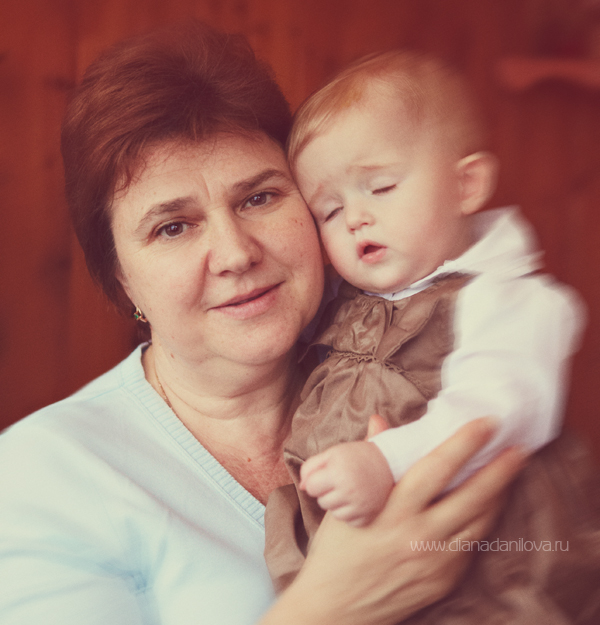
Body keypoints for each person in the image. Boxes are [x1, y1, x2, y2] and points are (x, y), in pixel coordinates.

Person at [0, 23, 525, 625]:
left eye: (259, 198)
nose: (236, 253)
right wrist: (333, 605)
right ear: (122, 278)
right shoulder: (39, 476)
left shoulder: (426, 364)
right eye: (173, 227)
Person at [263, 51, 600, 621]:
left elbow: (502, 408)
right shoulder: (349, 306)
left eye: (381, 186)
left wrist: (388, 462)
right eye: (329, 210)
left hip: (492, 566)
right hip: (356, 578)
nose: (355, 217)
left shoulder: (505, 296)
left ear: (466, 185)